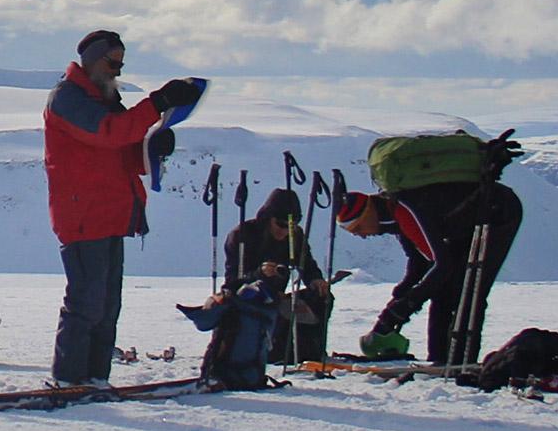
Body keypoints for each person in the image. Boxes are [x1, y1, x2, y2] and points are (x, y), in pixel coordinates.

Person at [42, 30, 204, 386]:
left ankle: (96, 378)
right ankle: (69, 380)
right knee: (86, 302)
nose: (118, 70)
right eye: (113, 62)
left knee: (106, 308)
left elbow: (122, 150)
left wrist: (153, 145)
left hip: (111, 214)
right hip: (83, 216)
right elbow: (110, 133)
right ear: (95, 60)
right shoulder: (69, 99)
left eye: (120, 63)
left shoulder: (100, 97)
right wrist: (156, 103)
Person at [336, 169, 522, 366]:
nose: (361, 235)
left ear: (368, 211)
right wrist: (401, 298)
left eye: (358, 228)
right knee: (443, 291)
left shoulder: (404, 210)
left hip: (497, 212)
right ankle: (441, 359)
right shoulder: (393, 213)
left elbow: (442, 266)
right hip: (467, 221)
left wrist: (405, 305)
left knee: (468, 291)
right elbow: (419, 262)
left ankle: (460, 362)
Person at [222, 187, 333, 363]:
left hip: (280, 298)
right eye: (281, 224)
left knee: (322, 297)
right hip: (252, 298)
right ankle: (275, 351)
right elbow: (232, 282)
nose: (285, 231)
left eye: (291, 226)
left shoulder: (295, 236)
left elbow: (307, 265)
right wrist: (260, 273)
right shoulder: (242, 235)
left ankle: (312, 351)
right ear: (268, 218)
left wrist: (316, 280)